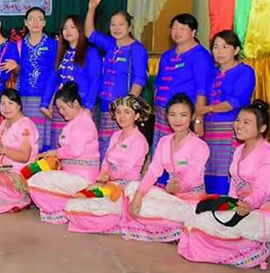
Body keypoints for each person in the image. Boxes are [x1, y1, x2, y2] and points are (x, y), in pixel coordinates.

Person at [178, 101, 270, 269]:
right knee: (197, 219)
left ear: (262, 128)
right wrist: (227, 206)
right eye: (238, 120)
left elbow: (262, 191)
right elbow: (234, 185)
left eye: (246, 122)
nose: (239, 126)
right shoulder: (239, 150)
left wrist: (247, 204)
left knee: (205, 228)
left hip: (266, 217)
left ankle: (255, 250)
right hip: (241, 209)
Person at [121, 93, 210, 243]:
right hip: (170, 196)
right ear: (167, 117)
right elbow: (153, 171)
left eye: (183, 115)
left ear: (192, 116)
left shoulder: (200, 146)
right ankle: (175, 229)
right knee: (132, 188)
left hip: (190, 200)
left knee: (149, 209)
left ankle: (182, 228)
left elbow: (191, 179)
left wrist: (177, 187)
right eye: (173, 115)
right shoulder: (164, 141)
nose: (177, 120)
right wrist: (138, 196)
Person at [64, 95, 151, 235]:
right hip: (107, 182)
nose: (121, 116)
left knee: (82, 207)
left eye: (127, 112)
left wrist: (108, 177)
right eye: (118, 112)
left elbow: (126, 168)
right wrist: (102, 177)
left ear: (137, 116)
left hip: (126, 188)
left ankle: (117, 220)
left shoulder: (139, 141)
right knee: (73, 203)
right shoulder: (116, 135)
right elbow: (106, 161)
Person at [84, 0, 148, 160]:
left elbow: (139, 80)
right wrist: (92, 9)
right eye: (113, 25)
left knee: (121, 148)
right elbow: (89, 33)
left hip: (122, 109)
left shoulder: (137, 49)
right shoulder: (110, 44)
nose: (117, 28)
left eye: (121, 24)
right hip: (104, 106)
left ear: (130, 27)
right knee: (104, 145)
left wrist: (126, 108)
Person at [28, 82, 100, 224]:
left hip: (82, 178)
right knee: (35, 174)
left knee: (37, 180)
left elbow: (74, 151)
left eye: (63, 108)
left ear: (75, 104)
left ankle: (60, 210)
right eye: (59, 108)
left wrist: (54, 153)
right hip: (72, 174)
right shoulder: (76, 121)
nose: (61, 112)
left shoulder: (83, 122)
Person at [196, 30, 256, 194]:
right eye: (215, 47)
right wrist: (199, 119)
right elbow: (201, 94)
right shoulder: (212, 73)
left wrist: (207, 109)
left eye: (225, 47)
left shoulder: (245, 72)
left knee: (228, 171)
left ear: (236, 50)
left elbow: (235, 102)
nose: (219, 52)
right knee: (208, 169)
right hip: (209, 130)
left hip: (231, 129)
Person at [152, 14, 215, 154]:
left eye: (182, 28)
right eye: (174, 28)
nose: (177, 32)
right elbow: (158, 83)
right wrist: (155, 106)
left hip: (184, 114)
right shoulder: (167, 55)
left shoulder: (200, 56)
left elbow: (201, 90)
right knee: (161, 151)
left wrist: (198, 119)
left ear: (193, 32)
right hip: (163, 111)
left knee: (180, 153)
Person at [40, 15, 102, 152]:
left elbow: (95, 81)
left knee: (80, 148)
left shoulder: (91, 52)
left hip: (81, 107)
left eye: (73, 27)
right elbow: (52, 78)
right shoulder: (61, 52)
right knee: (59, 147)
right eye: (65, 28)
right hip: (61, 108)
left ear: (80, 29)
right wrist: (44, 103)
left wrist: (88, 107)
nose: (68, 31)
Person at [0, 88, 39, 215]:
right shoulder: (4, 123)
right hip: (3, 170)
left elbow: (25, 156)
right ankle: (9, 199)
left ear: (19, 105)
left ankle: (21, 198)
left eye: (10, 103)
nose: (6, 107)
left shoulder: (25, 126)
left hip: (20, 174)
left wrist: (3, 150)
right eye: (3, 103)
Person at [4, 7, 56, 152]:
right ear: (25, 23)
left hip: (45, 98)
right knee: (24, 135)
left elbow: (54, 73)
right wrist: (15, 67)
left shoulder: (53, 45)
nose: (35, 22)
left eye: (39, 19)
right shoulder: (18, 45)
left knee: (41, 138)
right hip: (23, 97)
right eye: (31, 19)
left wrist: (49, 100)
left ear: (44, 23)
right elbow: (15, 71)